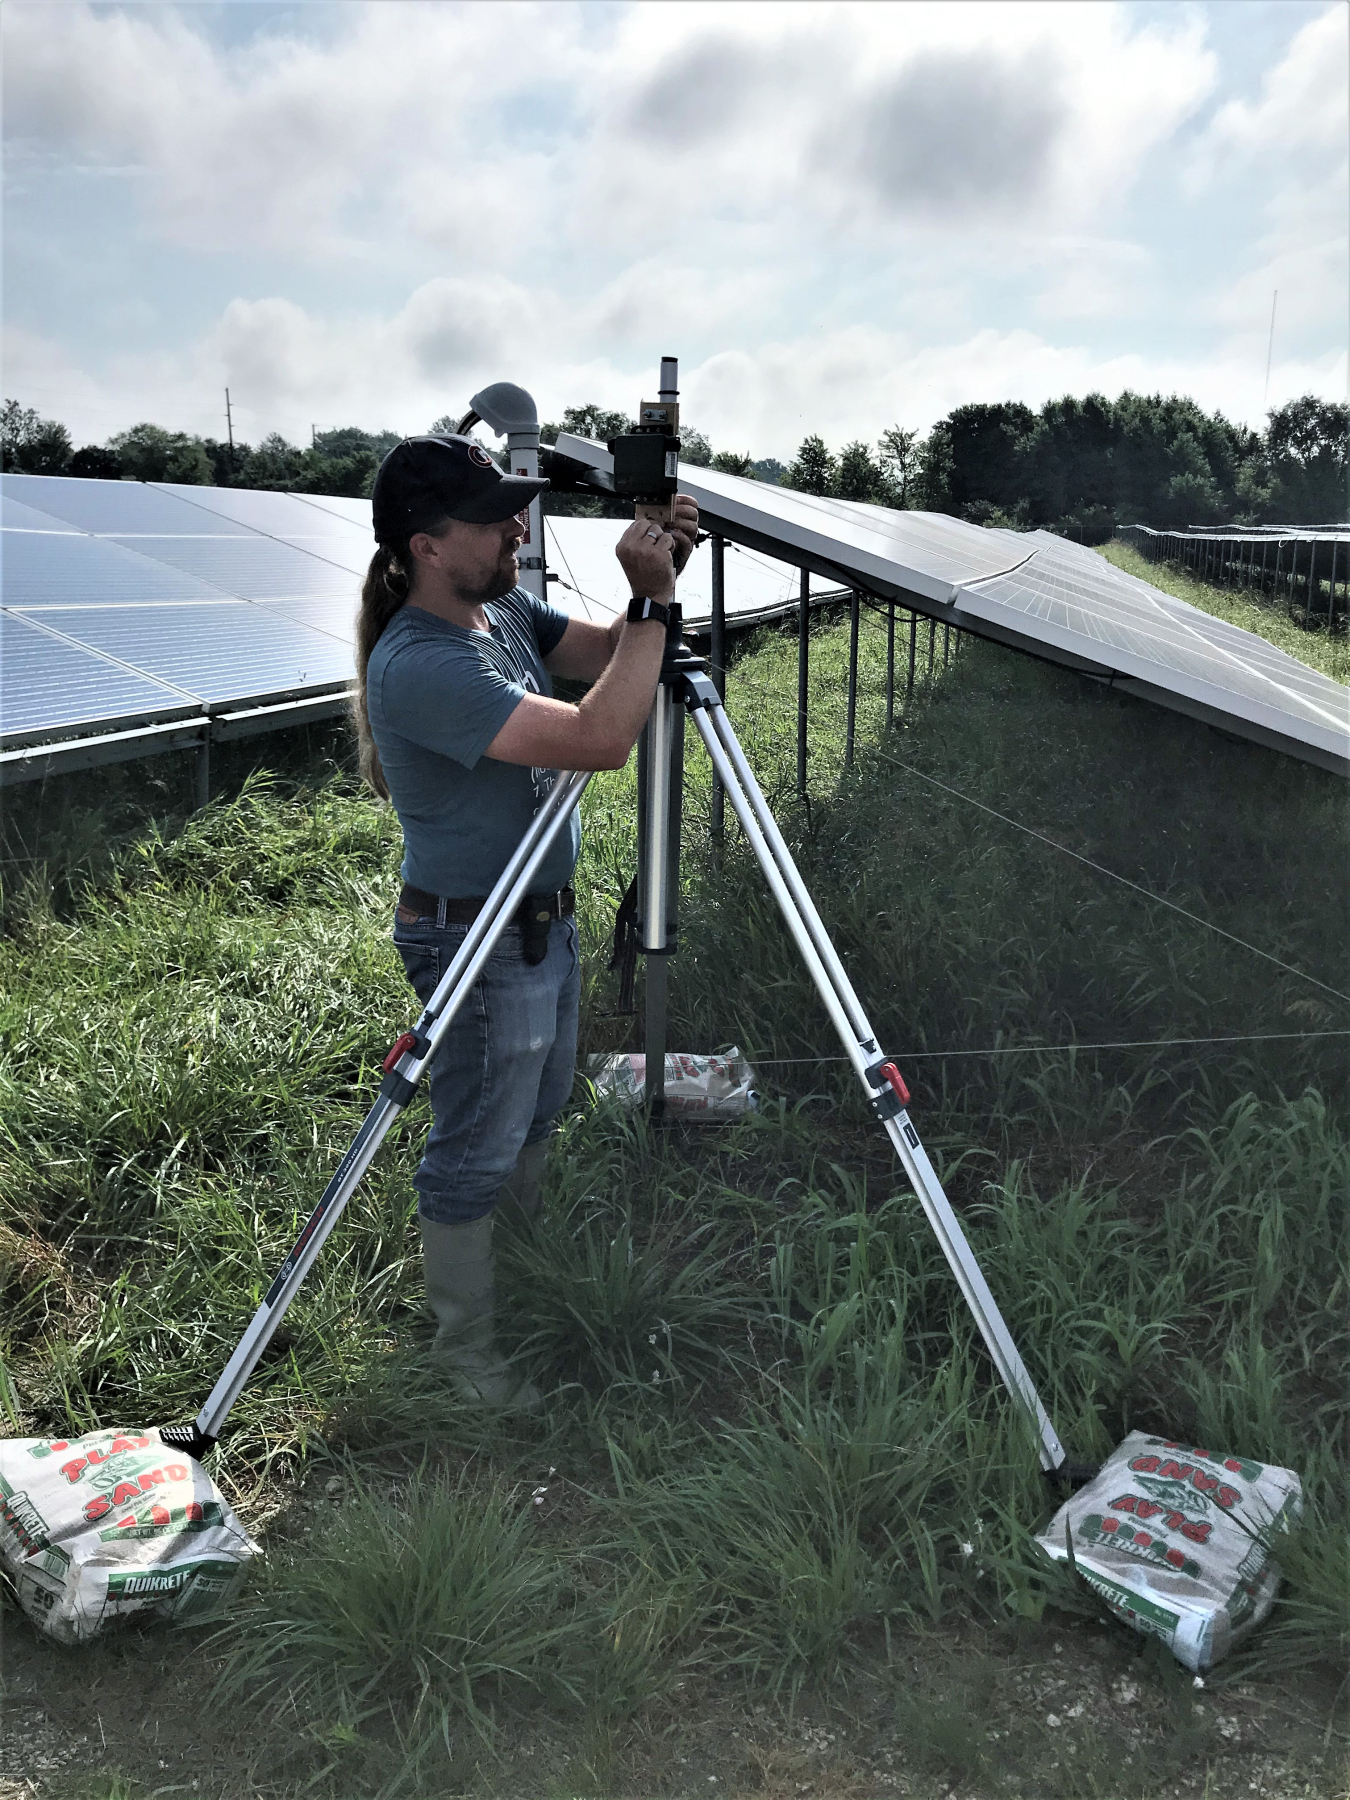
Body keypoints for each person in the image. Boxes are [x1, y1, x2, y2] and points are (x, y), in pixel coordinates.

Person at [351, 433, 698, 1408]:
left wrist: (658, 574)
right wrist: (658, 604)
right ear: (426, 544)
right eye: (493, 516)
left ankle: (522, 1266)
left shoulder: (496, 605)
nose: (516, 529)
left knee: (537, 1112)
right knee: (475, 1140)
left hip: (539, 924)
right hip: (476, 942)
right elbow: (599, 734)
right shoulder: (420, 662)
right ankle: (467, 1359)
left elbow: (600, 653)